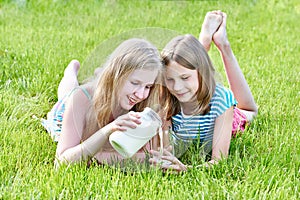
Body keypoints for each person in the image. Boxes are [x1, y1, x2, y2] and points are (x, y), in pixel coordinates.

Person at [149, 11, 258, 172]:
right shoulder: (166, 95)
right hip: (197, 88)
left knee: (249, 111)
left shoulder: (222, 101)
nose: (177, 87)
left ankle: (222, 44)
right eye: (170, 79)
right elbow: (165, 149)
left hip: (224, 117)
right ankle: (203, 43)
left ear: (201, 74)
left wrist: (186, 169)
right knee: (186, 65)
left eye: (184, 78)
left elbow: (219, 161)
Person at [41, 38, 164, 167]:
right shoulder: (81, 98)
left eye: (148, 86)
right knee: (67, 94)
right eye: (135, 83)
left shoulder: (142, 104)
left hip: (105, 90)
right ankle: (71, 72)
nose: (141, 94)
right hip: (67, 110)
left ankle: (99, 74)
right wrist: (108, 130)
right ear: (116, 74)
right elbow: (61, 162)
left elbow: (144, 154)